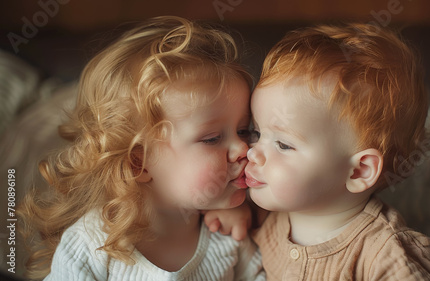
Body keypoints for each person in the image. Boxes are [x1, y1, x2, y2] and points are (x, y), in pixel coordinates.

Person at [206, 23, 430, 280]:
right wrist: (234, 210)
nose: (252, 153)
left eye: (283, 145)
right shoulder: (267, 213)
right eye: (256, 133)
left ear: (359, 170)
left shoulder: (387, 257)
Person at [19, 16, 264, 281]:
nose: (243, 147)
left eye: (243, 130)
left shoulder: (229, 235)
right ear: (139, 162)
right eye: (213, 138)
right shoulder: (92, 246)